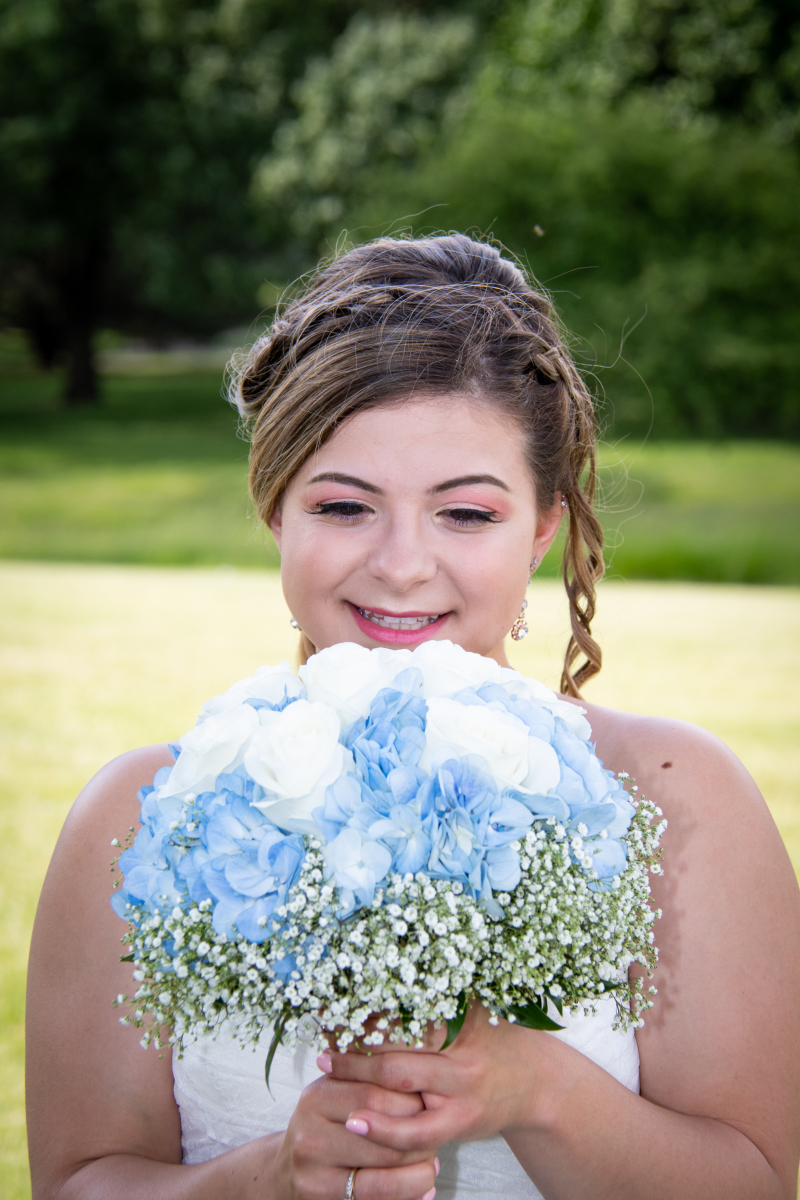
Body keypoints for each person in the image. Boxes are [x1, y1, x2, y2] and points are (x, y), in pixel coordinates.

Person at [26, 234, 800, 1200]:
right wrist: (272, 1179)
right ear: (276, 513)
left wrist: (537, 1089)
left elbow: (758, 1181)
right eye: (344, 507)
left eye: (465, 514)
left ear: (543, 527)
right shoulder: (139, 817)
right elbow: (80, 1179)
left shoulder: (679, 800)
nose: (400, 565)